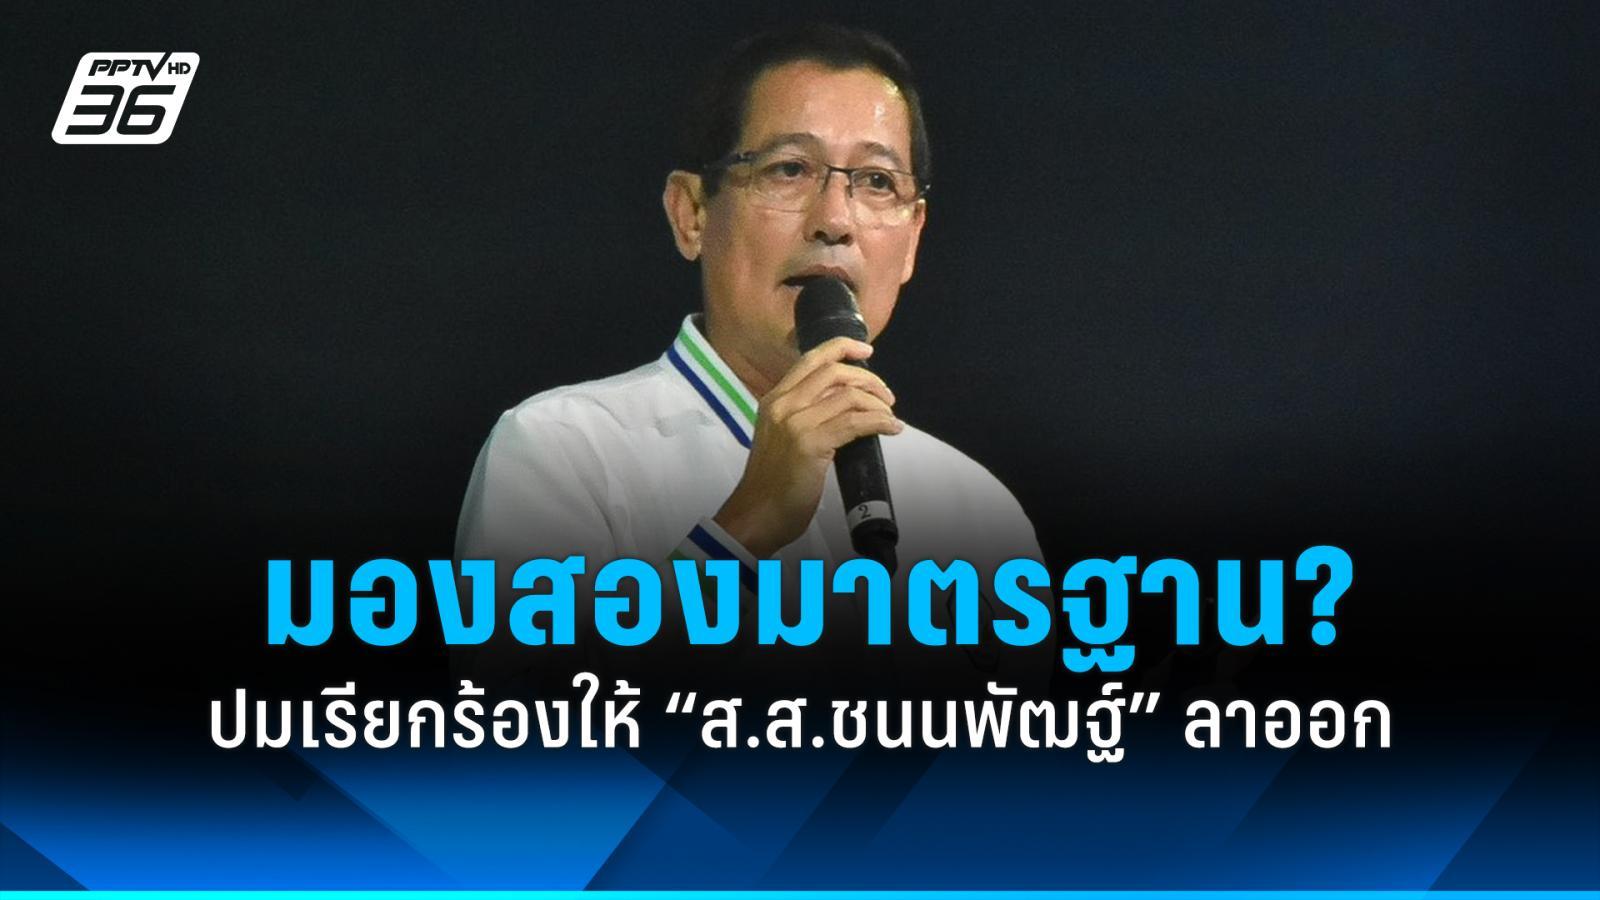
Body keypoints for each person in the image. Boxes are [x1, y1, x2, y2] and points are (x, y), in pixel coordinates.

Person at [457, 24, 1051, 697]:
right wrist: (744, 528)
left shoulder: (978, 508)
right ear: (691, 213)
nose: (835, 220)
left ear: (913, 240)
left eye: (877, 181)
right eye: (789, 169)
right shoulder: (563, 448)